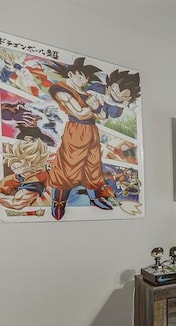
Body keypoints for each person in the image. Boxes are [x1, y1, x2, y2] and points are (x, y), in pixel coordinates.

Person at [47, 57, 112, 220]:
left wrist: (96, 109)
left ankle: (95, 197)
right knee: (69, 163)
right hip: (76, 130)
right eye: (80, 76)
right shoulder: (61, 90)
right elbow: (80, 114)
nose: (83, 80)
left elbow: (103, 115)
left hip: (92, 131)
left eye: (86, 78)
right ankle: (59, 202)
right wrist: (95, 107)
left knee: (93, 164)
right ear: (71, 74)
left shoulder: (87, 94)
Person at [0, 138, 51, 210]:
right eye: (13, 160)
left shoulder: (36, 182)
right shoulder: (17, 176)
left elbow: (17, 204)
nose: (14, 166)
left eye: (20, 163)